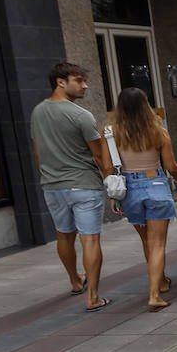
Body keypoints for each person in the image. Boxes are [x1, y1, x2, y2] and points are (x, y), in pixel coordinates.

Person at [31, 62, 115, 311]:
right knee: (90, 240)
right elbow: (99, 156)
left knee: (64, 236)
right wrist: (110, 181)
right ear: (60, 82)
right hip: (83, 185)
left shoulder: (38, 112)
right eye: (78, 80)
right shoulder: (82, 115)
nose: (85, 85)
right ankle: (93, 297)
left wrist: (49, 176)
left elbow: (38, 152)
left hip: (52, 186)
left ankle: (75, 281)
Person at [107, 87, 177, 311]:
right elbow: (171, 166)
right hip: (156, 185)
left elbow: (108, 166)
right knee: (158, 242)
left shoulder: (112, 133)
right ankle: (154, 294)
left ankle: (160, 281)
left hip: (129, 189)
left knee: (147, 241)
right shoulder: (158, 132)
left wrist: (113, 195)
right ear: (146, 106)